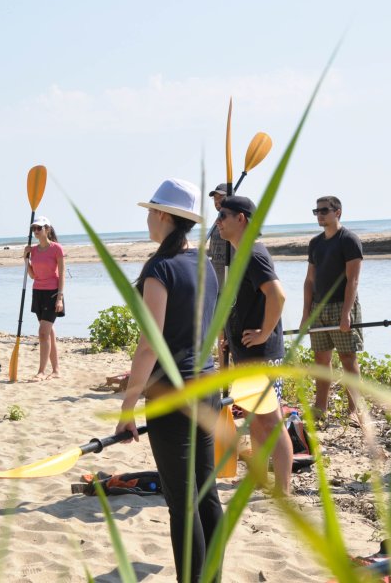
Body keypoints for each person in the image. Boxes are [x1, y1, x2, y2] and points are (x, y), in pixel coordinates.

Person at [116, 178, 222, 583]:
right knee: (206, 494)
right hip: (208, 386)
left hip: (172, 395)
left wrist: (127, 411)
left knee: (183, 504)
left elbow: (149, 346)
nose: (146, 218)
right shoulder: (205, 265)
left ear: (163, 215)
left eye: (149, 211)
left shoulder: (160, 268)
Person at [214, 195, 294, 496]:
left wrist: (264, 333)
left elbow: (278, 296)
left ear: (242, 219)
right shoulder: (240, 253)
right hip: (245, 353)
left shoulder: (254, 254)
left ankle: (284, 489)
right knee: (255, 420)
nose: (218, 221)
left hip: (263, 355)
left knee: (271, 421)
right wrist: (227, 333)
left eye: (223, 215)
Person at [301, 196, 365, 424]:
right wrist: (305, 314)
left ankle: (354, 410)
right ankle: (320, 408)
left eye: (324, 210)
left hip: (341, 305)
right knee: (321, 360)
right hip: (318, 309)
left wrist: (346, 313)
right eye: (316, 211)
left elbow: (353, 281)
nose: (320, 214)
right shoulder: (315, 243)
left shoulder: (349, 240)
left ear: (338, 212)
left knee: (348, 358)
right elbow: (309, 280)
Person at [23, 215, 64, 381]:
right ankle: (56, 370)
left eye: (39, 228)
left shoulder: (56, 248)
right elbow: (32, 275)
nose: (36, 231)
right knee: (48, 332)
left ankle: (41, 371)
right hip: (38, 292)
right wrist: (25, 259)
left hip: (53, 293)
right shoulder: (32, 250)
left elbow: (61, 275)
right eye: (34, 228)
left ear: (47, 229)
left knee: (42, 333)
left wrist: (60, 298)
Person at [207, 183, 229, 288]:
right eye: (215, 198)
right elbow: (213, 253)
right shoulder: (216, 225)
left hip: (234, 288)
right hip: (216, 286)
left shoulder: (236, 222)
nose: (217, 201)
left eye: (221, 197)